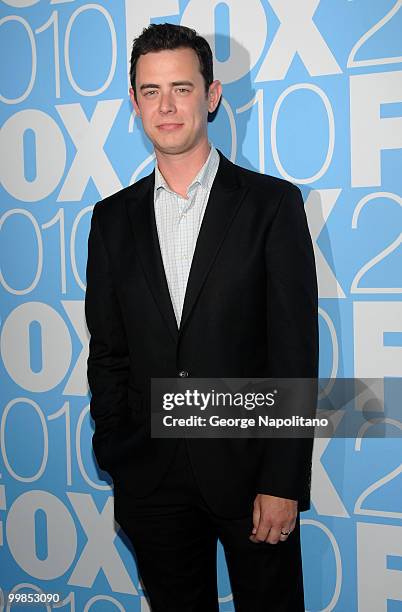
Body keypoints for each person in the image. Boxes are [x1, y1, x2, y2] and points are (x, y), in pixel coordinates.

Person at [85, 23, 318, 612]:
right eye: (151, 90)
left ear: (211, 95)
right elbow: (109, 351)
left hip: (250, 477)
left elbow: (294, 352)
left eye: (182, 89)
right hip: (150, 477)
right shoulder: (111, 220)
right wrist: (117, 449)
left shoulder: (271, 205)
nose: (166, 106)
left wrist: (282, 481)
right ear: (133, 101)